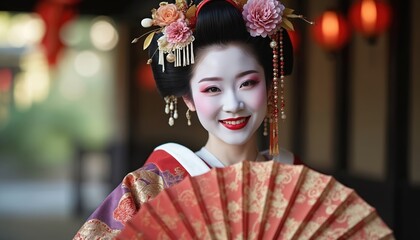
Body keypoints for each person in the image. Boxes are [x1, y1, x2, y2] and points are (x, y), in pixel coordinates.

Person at [73, 0, 307, 238]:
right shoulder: (150, 188)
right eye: (212, 89)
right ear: (189, 98)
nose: (233, 105)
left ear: (269, 86)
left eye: (247, 83)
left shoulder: (297, 178)